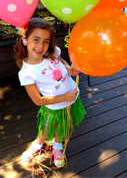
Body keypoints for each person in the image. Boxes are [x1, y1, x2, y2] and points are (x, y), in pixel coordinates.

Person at [14, 17, 86, 168]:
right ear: (25, 40)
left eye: (46, 41)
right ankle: (38, 144)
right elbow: (38, 100)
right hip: (54, 107)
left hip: (71, 99)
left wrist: (69, 70)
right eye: (36, 39)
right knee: (46, 129)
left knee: (63, 126)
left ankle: (58, 146)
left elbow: (62, 62)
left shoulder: (52, 53)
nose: (41, 45)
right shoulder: (27, 73)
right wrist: (64, 96)